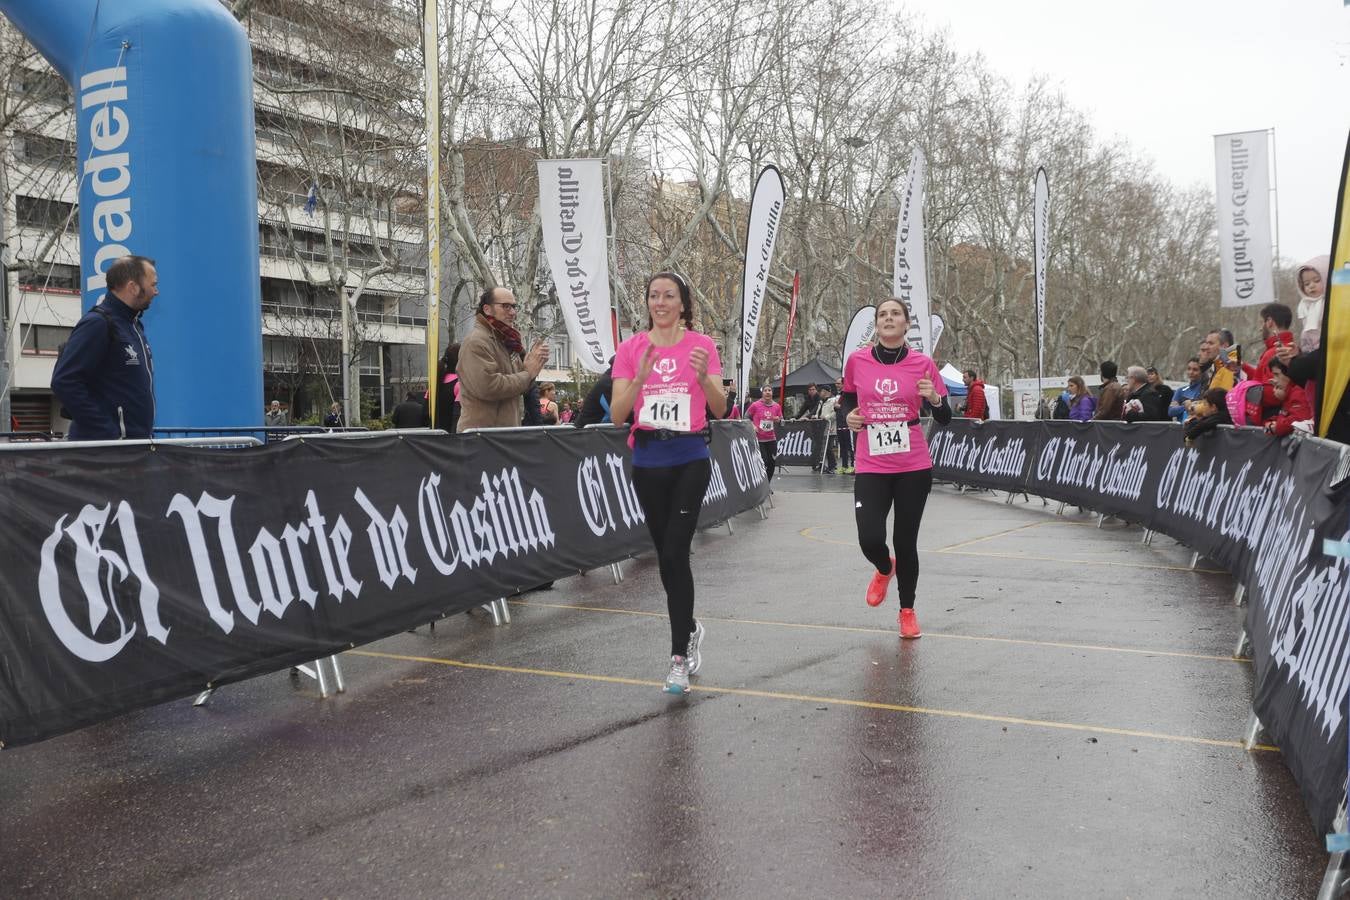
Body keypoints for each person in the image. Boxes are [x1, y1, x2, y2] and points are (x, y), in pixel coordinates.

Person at [609, 271, 726, 695]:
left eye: (668, 295)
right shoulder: (630, 349)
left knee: (677, 550)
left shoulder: (702, 345)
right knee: (666, 557)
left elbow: (720, 406)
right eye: (653, 296)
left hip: (689, 457)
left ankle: (678, 657)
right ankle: (690, 626)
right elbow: (618, 416)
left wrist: (702, 378)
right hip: (647, 459)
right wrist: (639, 379)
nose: (660, 302)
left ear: (682, 304)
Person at [842, 298, 952, 639]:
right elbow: (848, 398)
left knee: (906, 541)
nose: (888, 319)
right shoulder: (857, 361)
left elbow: (945, 416)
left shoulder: (922, 363)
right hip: (871, 462)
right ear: (877, 324)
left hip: (912, 464)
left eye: (895, 314)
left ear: (906, 324)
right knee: (870, 537)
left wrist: (934, 398)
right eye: (882, 315)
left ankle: (907, 611)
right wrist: (848, 415)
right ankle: (882, 567)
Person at [52, 255, 159, 440]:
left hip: (133, 449)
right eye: (153, 284)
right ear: (133, 287)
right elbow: (64, 381)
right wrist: (106, 432)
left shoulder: (134, 325)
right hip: (105, 455)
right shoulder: (98, 324)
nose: (156, 291)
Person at [456, 287, 549, 430]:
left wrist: (532, 366)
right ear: (487, 309)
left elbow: (519, 386)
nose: (512, 312)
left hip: (503, 434)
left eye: (514, 306)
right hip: (483, 437)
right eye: (505, 306)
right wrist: (527, 374)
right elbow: (488, 387)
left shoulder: (506, 341)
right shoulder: (476, 341)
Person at [1263, 359, 1314, 437]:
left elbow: (1297, 420)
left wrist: (1274, 427)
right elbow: (1284, 416)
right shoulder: (1290, 392)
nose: (1274, 380)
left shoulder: (1298, 392)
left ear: (1288, 374)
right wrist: (1270, 422)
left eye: (1277, 374)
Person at [745, 385, 783, 484]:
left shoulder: (776, 406)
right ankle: (760, 483)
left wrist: (778, 420)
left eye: (769, 390)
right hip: (759, 439)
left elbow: (782, 421)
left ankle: (766, 484)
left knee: (772, 463)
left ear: (772, 393)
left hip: (771, 439)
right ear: (762, 393)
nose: (767, 392)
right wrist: (753, 426)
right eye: (765, 390)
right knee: (764, 461)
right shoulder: (755, 405)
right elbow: (746, 417)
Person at [1295, 256, 1327, 352]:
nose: (1312, 286)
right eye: (1307, 284)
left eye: (1317, 281)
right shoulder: (1304, 305)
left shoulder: (1332, 303)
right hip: (1310, 350)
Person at [574, 360, 616, 427]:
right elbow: (618, 414)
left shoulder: (611, 381)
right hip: (587, 433)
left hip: (597, 432)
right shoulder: (607, 384)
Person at [434, 343, 461, 433]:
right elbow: (457, 417)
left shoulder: (435, 384)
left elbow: (425, 413)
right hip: (450, 440)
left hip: (432, 438)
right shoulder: (459, 385)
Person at [1168, 358, 1204, 423]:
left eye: (1195, 370)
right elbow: (1171, 411)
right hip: (1181, 429)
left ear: (1202, 372)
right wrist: (1185, 406)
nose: (1191, 372)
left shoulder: (1204, 389)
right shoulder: (1180, 390)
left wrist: (1180, 406)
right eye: (1189, 369)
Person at [834, 377, 854, 473]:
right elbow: (836, 408)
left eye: (838, 383)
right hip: (840, 423)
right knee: (842, 446)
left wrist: (839, 406)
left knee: (850, 446)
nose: (836, 385)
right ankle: (844, 466)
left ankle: (853, 465)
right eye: (836, 383)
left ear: (843, 384)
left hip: (847, 424)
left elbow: (849, 406)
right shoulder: (838, 395)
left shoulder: (847, 394)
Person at [819, 385, 838, 473]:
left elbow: (834, 414)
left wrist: (826, 417)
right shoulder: (821, 402)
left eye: (822, 391)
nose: (820, 393)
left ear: (826, 392)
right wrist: (816, 416)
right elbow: (818, 412)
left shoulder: (833, 401)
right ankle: (825, 465)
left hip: (831, 428)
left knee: (829, 448)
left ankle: (833, 466)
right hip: (822, 428)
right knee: (824, 448)